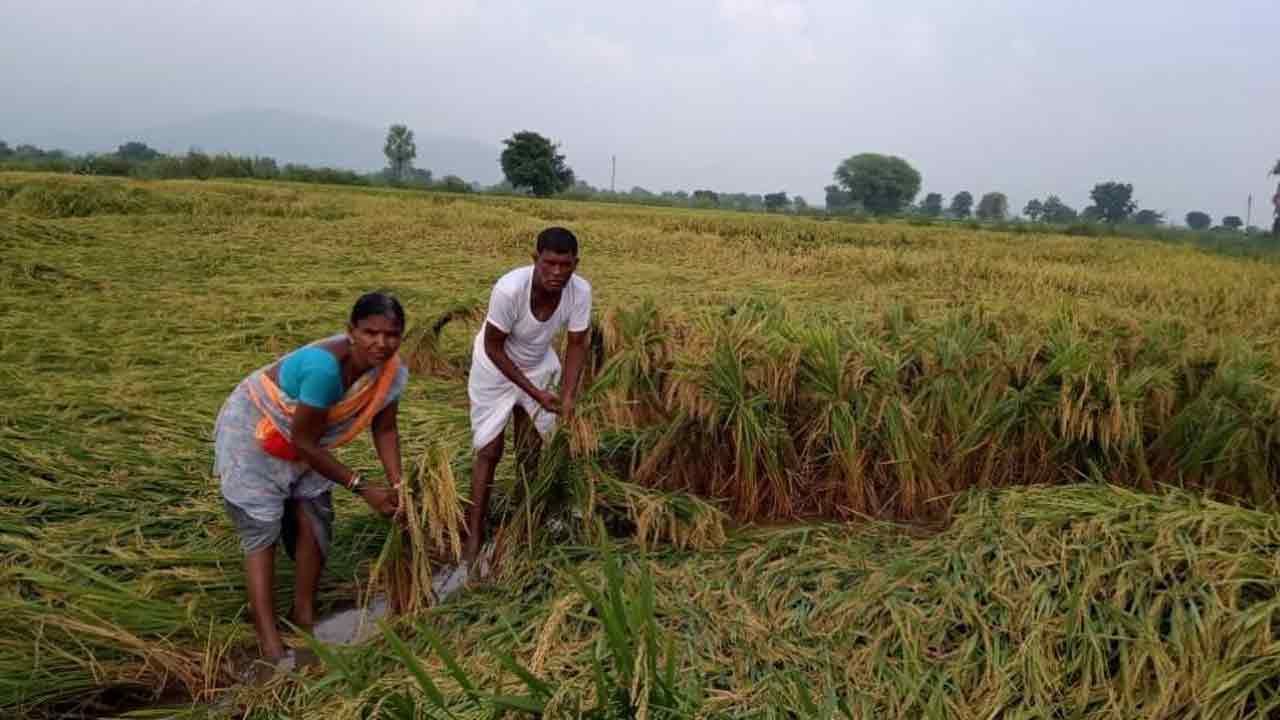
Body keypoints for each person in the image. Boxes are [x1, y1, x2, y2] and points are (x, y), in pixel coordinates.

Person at [213, 292, 408, 662]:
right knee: (261, 530)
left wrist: (399, 486)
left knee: (315, 517)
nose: (381, 343)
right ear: (351, 331)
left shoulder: (390, 372)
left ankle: (304, 616)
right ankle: (270, 643)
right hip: (257, 432)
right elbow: (304, 442)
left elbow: (385, 430)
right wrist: (362, 487)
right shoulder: (324, 370)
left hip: (306, 439)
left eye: (392, 334)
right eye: (370, 332)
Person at [462, 227, 591, 566]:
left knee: (532, 448)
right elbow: (492, 345)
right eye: (549, 264)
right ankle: (475, 532)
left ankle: (524, 520)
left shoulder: (579, 292)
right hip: (494, 365)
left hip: (538, 363)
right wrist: (533, 392)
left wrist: (567, 396)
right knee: (490, 449)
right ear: (535, 259)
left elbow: (577, 343)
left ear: (576, 263)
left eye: (566, 265)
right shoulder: (509, 290)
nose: (557, 273)